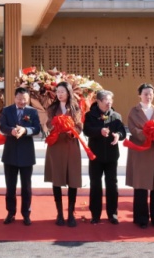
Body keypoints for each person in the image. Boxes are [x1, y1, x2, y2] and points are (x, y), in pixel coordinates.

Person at [125, 83, 154, 229]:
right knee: (141, 185)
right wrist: (148, 134)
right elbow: (133, 129)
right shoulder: (134, 111)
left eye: (151, 94)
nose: (148, 96)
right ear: (139, 95)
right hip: (141, 151)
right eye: (145, 93)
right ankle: (141, 218)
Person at [83, 90, 126, 225]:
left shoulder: (116, 116)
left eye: (111, 100)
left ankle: (112, 213)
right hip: (95, 156)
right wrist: (99, 131)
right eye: (106, 100)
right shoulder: (90, 115)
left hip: (111, 156)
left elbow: (122, 131)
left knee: (112, 185)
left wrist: (118, 135)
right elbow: (87, 130)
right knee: (95, 184)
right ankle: (95, 214)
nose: (109, 103)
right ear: (99, 101)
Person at [44, 81, 84, 227]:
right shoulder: (52, 108)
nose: (60, 94)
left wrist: (71, 130)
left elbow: (79, 125)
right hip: (56, 144)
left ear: (68, 92)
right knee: (57, 178)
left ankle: (71, 213)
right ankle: (59, 213)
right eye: (58, 91)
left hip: (70, 143)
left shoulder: (75, 107)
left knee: (72, 178)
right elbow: (48, 124)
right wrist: (56, 124)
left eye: (62, 91)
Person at [0, 86, 41, 226]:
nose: (22, 101)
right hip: (10, 153)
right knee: (10, 187)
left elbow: (37, 128)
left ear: (28, 99)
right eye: (19, 98)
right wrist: (11, 130)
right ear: (15, 98)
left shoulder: (32, 111)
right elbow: (2, 126)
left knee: (26, 187)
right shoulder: (7, 110)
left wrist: (25, 130)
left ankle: (26, 213)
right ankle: (10, 212)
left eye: (24, 99)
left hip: (26, 154)